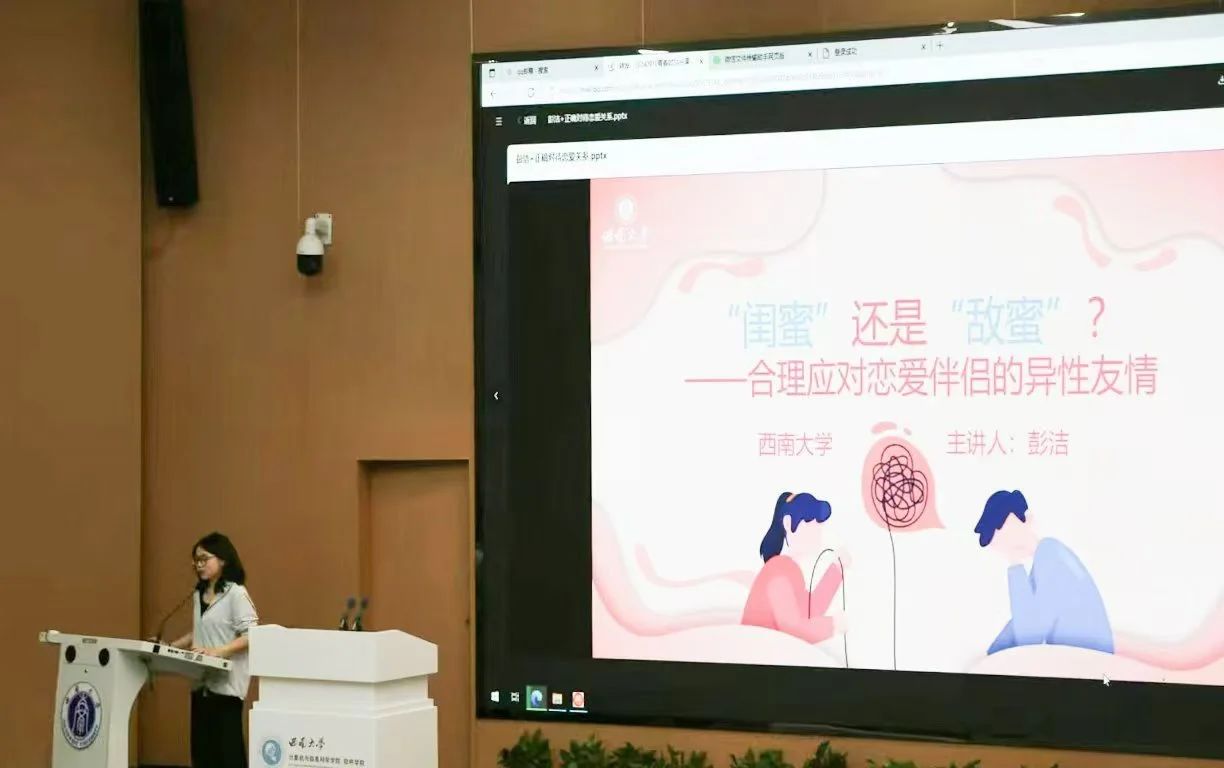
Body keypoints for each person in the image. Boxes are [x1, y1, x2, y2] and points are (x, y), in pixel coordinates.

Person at [975, 490, 1113, 655]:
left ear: (1028, 520)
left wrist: (1015, 563)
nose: (1006, 544)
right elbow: (1020, 621)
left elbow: (1028, 636)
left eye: (1006, 533)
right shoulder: (1046, 556)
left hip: (1088, 661)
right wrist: (990, 655)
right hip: (1080, 657)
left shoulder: (1051, 556)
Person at [166, 533, 259, 768]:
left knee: (227, 756)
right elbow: (198, 631)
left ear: (223, 559)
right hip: (201, 684)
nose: (199, 565)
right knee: (202, 755)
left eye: (204, 559)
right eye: (196, 560)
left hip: (226, 688)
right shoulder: (198, 594)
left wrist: (218, 651)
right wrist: (170, 647)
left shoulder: (236, 593)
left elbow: (251, 634)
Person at [742, 492, 848, 644]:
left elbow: (810, 611)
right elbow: (792, 628)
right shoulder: (778, 571)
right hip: (759, 653)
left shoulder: (788, 569)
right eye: (809, 522)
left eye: (818, 523)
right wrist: (833, 625)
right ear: (787, 523)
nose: (817, 529)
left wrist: (837, 569)